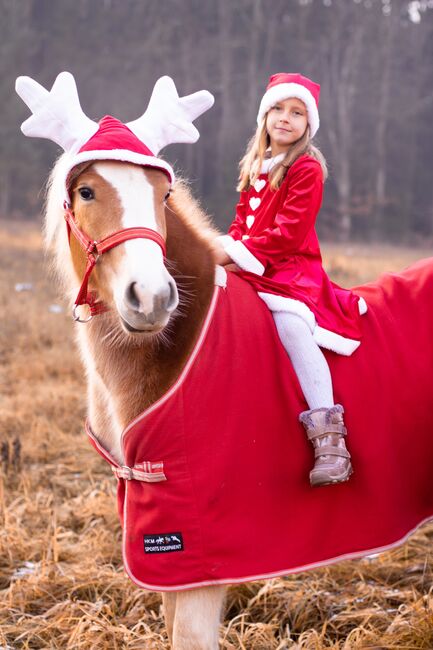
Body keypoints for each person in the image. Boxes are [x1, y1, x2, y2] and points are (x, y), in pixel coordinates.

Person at [214, 72, 367, 488]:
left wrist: (232, 253)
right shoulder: (254, 167)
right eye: (278, 109)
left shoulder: (306, 168)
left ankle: (330, 439)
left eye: (297, 112)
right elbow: (242, 226)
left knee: (292, 327)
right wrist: (222, 254)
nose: (285, 118)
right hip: (254, 263)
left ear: (308, 124)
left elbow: (289, 233)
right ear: (265, 116)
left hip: (291, 270)